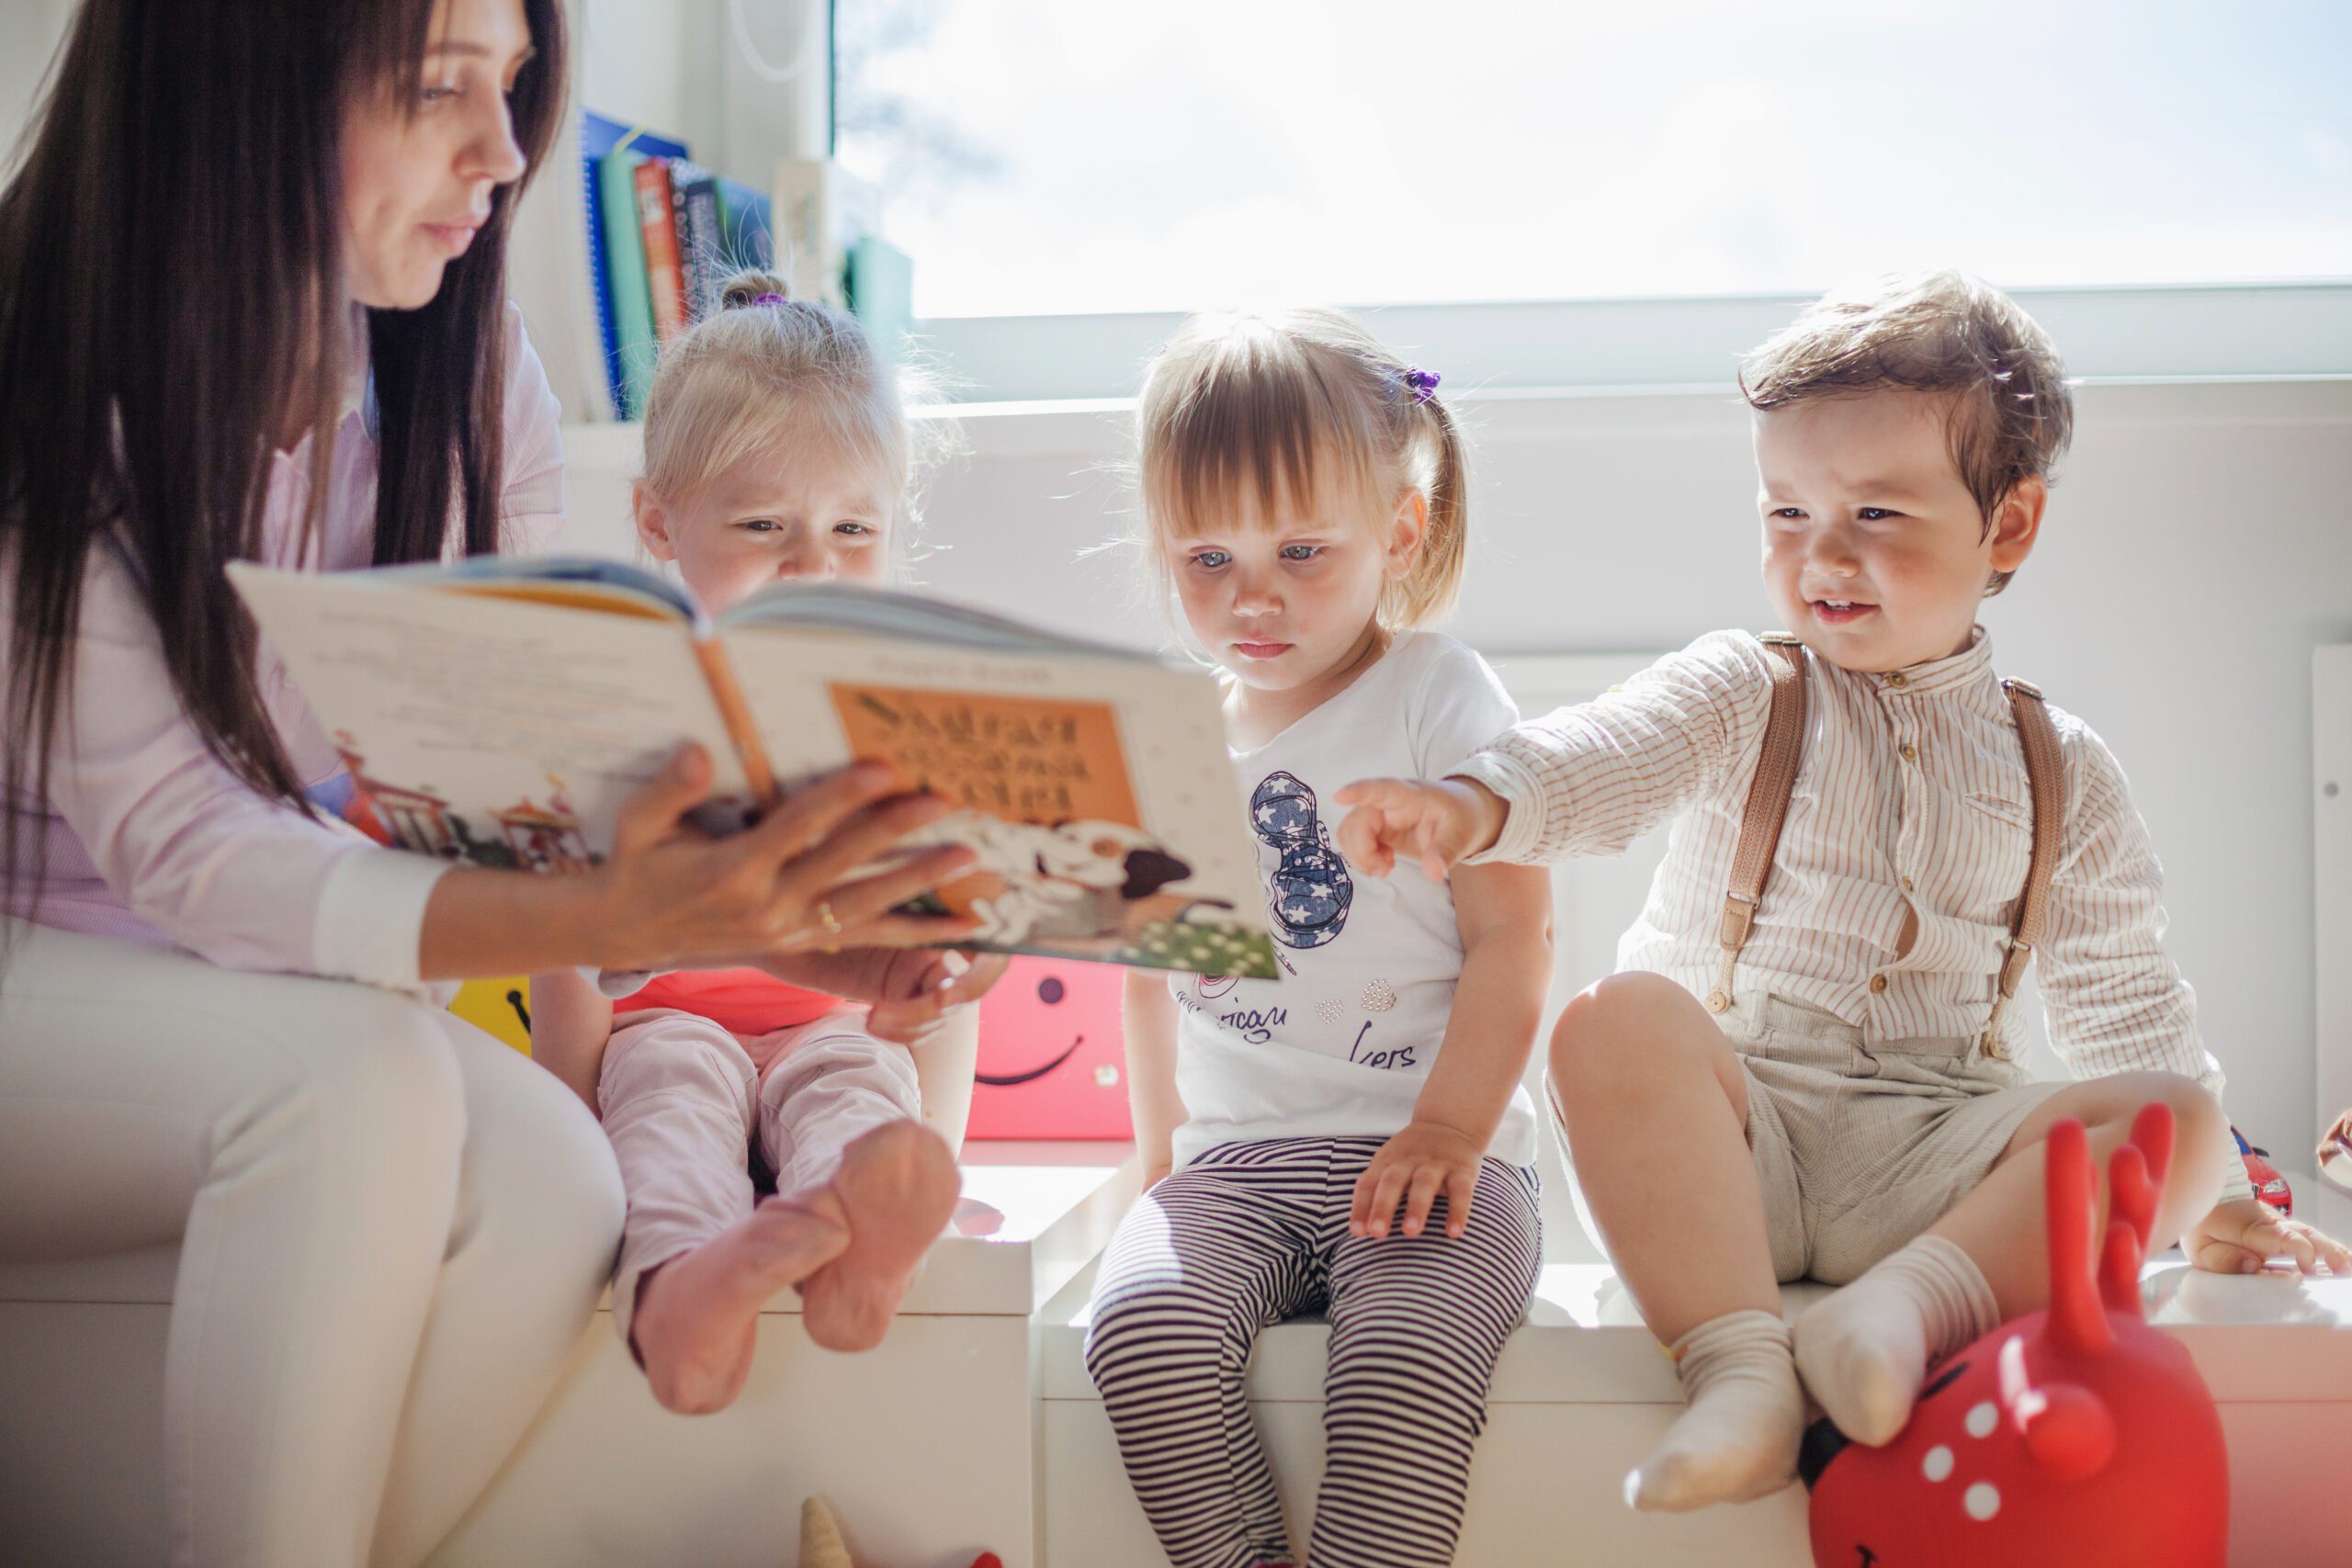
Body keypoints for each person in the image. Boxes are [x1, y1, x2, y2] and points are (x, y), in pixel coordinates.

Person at [0, 6, 981, 1564]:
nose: (506, 154)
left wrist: (788, 932)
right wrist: (606, 904)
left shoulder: (451, 348)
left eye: (513, 85)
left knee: (556, 1181)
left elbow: (511, 773)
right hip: (52, 963)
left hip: (242, 974)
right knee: (357, 1080)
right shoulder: (51, 361)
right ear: (241, 80)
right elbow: (186, 849)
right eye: (439, 88)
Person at [1336, 270, 2352, 1514]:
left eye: (1875, 510)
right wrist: (1480, 799)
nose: (1822, 553)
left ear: (2010, 526)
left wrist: (2229, 1206)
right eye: (1785, 510)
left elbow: (2125, 993)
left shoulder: (2062, 766)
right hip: (1737, 1136)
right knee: (1611, 1018)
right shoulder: (1744, 690)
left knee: (2174, 1122)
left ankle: (1896, 1309)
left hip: (1938, 1154)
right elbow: (1604, 753)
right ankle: (1739, 1367)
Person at [1083, 309, 1553, 1568]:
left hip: (1430, 1155)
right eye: (1208, 558)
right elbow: (1150, 964)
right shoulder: (1169, 727)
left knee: (1401, 1355)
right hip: (1236, 1163)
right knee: (1135, 1325)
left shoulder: (1437, 694)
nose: (1254, 597)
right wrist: (1154, 1165)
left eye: (1301, 549)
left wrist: (1451, 1130)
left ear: (1399, 529)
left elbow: (1515, 935)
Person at [528, 273, 1000, 1415]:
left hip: (827, 1034)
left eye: (852, 529)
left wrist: (939, 1140)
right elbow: (567, 954)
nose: (813, 565)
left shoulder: (905, 720)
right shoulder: (623, 716)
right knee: (667, 1118)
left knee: (863, 1099)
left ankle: (860, 1262)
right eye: (760, 527)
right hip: (659, 1028)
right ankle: (689, 1292)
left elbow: (948, 962)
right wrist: (564, 1129)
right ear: (658, 522)